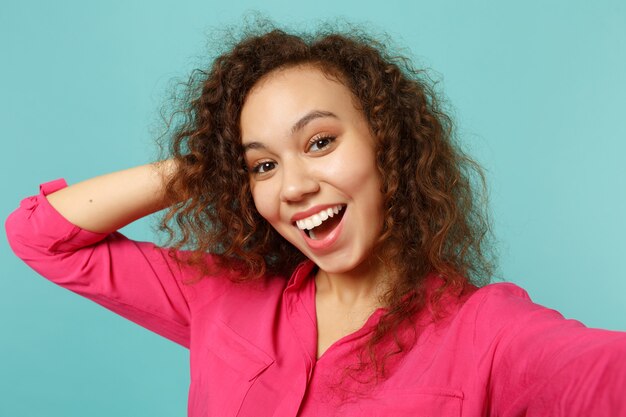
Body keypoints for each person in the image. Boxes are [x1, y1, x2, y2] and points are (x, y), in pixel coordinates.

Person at [5, 26, 626, 417]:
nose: (295, 186)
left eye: (322, 142)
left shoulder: (488, 334)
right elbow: (43, 237)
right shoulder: (220, 297)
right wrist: (213, 166)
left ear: (390, 145)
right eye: (265, 166)